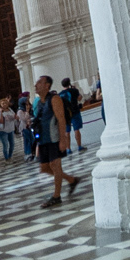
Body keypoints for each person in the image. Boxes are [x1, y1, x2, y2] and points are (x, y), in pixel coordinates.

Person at [32, 75, 81, 206]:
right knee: (44, 168)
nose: (36, 85)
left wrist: (63, 140)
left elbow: (61, 119)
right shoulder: (39, 102)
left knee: (55, 165)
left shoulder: (54, 99)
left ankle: (56, 196)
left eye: (39, 82)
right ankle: (71, 180)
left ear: (47, 85)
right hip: (43, 140)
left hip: (54, 139)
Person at [62, 78, 86, 151]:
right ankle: (79, 146)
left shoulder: (60, 94)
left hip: (66, 114)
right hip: (75, 111)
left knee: (67, 131)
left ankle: (68, 148)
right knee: (76, 129)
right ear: (69, 83)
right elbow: (79, 98)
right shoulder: (74, 90)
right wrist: (76, 90)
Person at [0, 97, 17, 162]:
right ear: (0, 105)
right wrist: (1, 113)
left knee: (12, 144)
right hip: (3, 130)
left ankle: (10, 156)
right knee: (5, 144)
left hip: (11, 129)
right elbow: (0, 121)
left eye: (5, 103)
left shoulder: (10, 110)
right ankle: (6, 158)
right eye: (3, 103)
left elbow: (15, 116)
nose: (4, 104)